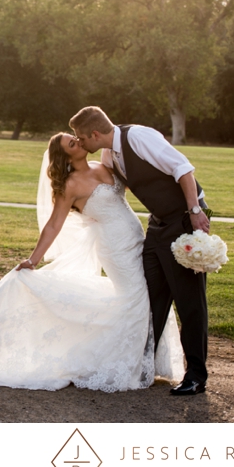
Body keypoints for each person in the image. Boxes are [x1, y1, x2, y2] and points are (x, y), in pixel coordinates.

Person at [0, 133, 184, 392]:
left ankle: (144, 361)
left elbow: (134, 188)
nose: (78, 141)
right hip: (115, 249)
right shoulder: (70, 185)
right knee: (136, 298)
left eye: (75, 138)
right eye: (72, 143)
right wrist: (33, 259)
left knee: (148, 296)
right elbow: (53, 225)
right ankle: (117, 363)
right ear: (66, 156)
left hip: (137, 239)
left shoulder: (103, 166)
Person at [69, 106, 209, 396]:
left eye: (81, 138)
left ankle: (196, 376)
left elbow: (183, 169)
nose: (80, 143)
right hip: (157, 226)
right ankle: (141, 366)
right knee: (150, 298)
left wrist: (195, 212)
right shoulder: (109, 154)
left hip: (184, 220)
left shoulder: (140, 137)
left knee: (189, 301)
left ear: (95, 134)